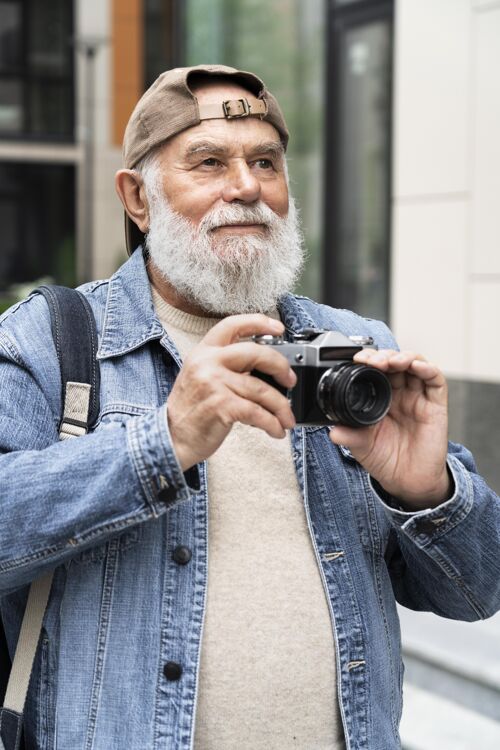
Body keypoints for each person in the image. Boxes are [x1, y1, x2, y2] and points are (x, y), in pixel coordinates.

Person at [0, 64, 499, 750]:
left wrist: (424, 491)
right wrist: (162, 443)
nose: (246, 187)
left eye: (265, 162)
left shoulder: (356, 350)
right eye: (208, 162)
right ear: (137, 199)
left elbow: (477, 593)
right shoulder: (52, 342)